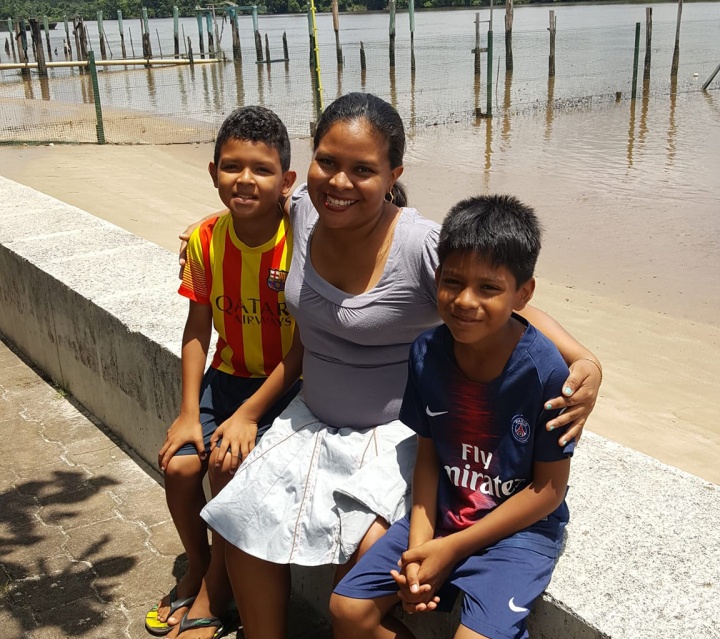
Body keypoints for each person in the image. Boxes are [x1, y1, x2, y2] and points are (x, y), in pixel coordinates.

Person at [198, 92, 602, 639]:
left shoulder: (418, 244)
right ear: (308, 164)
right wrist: (200, 231)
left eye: (363, 170)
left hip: (395, 429)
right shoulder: (304, 212)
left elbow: (499, 293)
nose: (339, 183)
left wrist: (585, 361)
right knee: (245, 510)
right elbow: (249, 200)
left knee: (364, 551)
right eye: (327, 162)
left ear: (394, 175)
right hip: (310, 415)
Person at [330, 194, 574, 639]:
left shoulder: (545, 372)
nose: (465, 301)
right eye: (453, 281)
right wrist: (422, 545)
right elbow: (429, 454)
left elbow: (548, 490)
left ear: (524, 292)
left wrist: (450, 549)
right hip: (447, 511)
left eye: (489, 288)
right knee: (348, 610)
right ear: (436, 276)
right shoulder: (427, 352)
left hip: (519, 531)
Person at [145, 106, 303, 638]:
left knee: (226, 465)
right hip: (227, 377)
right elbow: (197, 328)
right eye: (232, 166)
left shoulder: (304, 242)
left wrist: (251, 414)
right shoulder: (205, 240)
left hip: (286, 385)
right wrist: (190, 411)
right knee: (180, 467)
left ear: (286, 181)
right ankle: (199, 559)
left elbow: (304, 346)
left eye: (261, 169)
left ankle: (215, 588)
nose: (245, 179)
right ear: (213, 173)